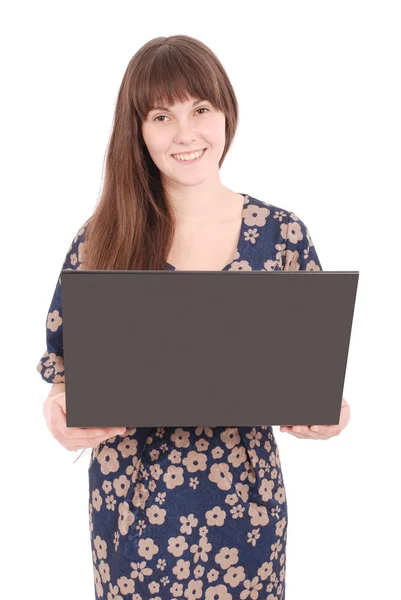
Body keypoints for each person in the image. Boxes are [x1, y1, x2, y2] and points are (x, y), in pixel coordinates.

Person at [37, 34, 350, 600]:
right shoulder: (101, 238)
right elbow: (64, 377)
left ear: (226, 111)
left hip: (246, 516)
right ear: (139, 130)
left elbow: (317, 382)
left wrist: (330, 415)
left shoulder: (281, 236)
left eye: (200, 109)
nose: (185, 134)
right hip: (131, 512)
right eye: (162, 115)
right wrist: (60, 416)